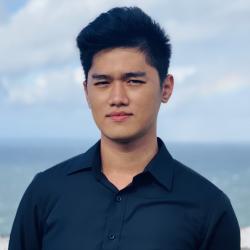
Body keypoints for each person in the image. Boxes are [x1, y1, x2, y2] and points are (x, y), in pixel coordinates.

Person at [9, 6, 240, 250]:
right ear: (87, 91)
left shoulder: (209, 207)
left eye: (133, 81)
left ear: (166, 88)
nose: (117, 97)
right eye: (103, 83)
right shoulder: (45, 192)